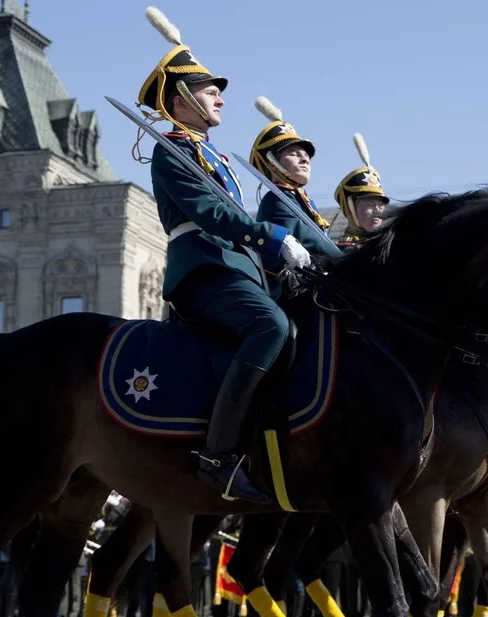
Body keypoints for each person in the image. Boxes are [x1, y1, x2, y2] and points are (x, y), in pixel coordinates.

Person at [136, 8, 311, 504]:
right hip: (204, 269)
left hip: (240, 269)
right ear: (181, 98)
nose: (220, 97)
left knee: (295, 329)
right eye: (211, 90)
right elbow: (211, 214)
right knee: (269, 328)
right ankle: (217, 457)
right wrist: (272, 237)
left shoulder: (212, 154)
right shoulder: (171, 149)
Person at [249, 96, 334, 257]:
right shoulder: (277, 201)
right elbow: (313, 242)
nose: (304, 159)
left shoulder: (303, 201)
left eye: (306, 156)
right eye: (294, 154)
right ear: (272, 161)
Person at [333, 133, 390, 246]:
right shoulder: (343, 252)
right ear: (351, 208)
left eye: (380, 205)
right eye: (369, 205)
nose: (376, 211)